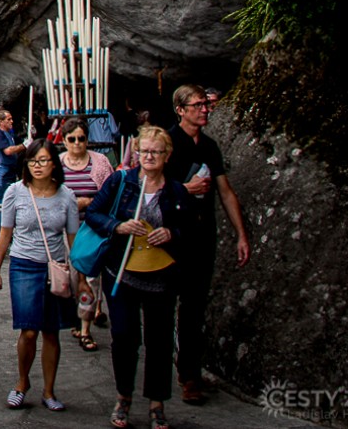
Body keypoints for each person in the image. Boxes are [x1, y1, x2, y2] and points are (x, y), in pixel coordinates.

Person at [85, 124, 189, 429]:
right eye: (145, 151)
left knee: (159, 340)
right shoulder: (122, 182)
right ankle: (124, 397)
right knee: (125, 337)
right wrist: (117, 226)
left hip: (160, 275)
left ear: (167, 154)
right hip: (122, 272)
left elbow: (190, 230)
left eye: (156, 152)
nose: (150, 157)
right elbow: (94, 212)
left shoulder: (175, 190)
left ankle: (157, 402)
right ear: (137, 152)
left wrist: (171, 233)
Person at [164, 84, 250, 405]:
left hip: (202, 235)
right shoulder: (167, 143)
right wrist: (185, 188)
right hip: (173, 234)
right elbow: (151, 188)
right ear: (181, 109)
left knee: (194, 306)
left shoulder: (210, 147)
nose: (204, 109)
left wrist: (241, 234)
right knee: (164, 303)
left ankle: (190, 374)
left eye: (206, 104)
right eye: (197, 105)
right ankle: (165, 370)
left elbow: (225, 191)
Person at [0, 139, 89, 412]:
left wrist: (81, 277)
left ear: (54, 163)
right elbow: (5, 233)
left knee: (51, 332)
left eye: (43, 160)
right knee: (29, 330)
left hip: (54, 267)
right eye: (33, 161)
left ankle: (49, 390)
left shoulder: (66, 195)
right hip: (23, 264)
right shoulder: (15, 192)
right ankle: (22, 383)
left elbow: (73, 239)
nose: (38, 166)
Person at [59, 117, 114, 353]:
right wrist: (71, 205)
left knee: (90, 279)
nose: (77, 143)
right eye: (72, 139)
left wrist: (88, 204)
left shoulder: (100, 163)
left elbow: (110, 195)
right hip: (66, 231)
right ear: (64, 141)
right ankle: (78, 316)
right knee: (72, 278)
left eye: (82, 139)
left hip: (91, 230)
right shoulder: (58, 164)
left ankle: (85, 328)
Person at [0, 108, 29, 205]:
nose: (12, 121)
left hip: (10, 171)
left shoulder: (9, 134)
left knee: (11, 199)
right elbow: (8, 151)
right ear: (1, 122)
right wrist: (24, 146)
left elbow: (19, 142)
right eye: (9, 119)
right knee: (4, 201)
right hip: (2, 173)